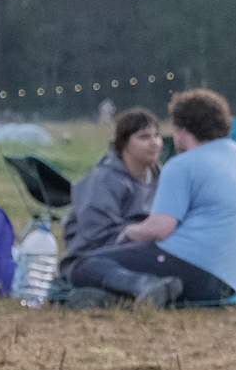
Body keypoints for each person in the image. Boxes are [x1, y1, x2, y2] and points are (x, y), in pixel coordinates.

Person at [66, 88, 236, 308]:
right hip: (228, 281)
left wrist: (130, 232)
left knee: (84, 266)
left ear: (183, 129)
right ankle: (119, 298)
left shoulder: (182, 165)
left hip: (193, 270)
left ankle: (142, 285)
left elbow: (160, 229)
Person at [62, 107, 162, 274]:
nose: (154, 143)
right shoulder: (104, 179)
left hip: (143, 250)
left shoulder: (160, 175)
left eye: (157, 135)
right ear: (124, 143)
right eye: (144, 137)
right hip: (95, 257)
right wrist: (141, 233)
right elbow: (95, 234)